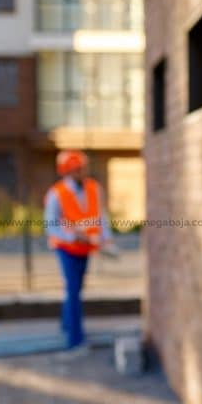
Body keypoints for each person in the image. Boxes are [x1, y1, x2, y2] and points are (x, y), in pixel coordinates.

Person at [44, 150, 114, 350]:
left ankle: (67, 325)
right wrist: (73, 235)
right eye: (77, 169)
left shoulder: (93, 188)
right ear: (67, 171)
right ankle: (75, 338)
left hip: (85, 247)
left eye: (83, 168)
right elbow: (51, 225)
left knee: (75, 289)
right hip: (66, 248)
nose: (82, 172)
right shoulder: (56, 193)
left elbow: (100, 216)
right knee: (73, 290)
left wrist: (106, 238)